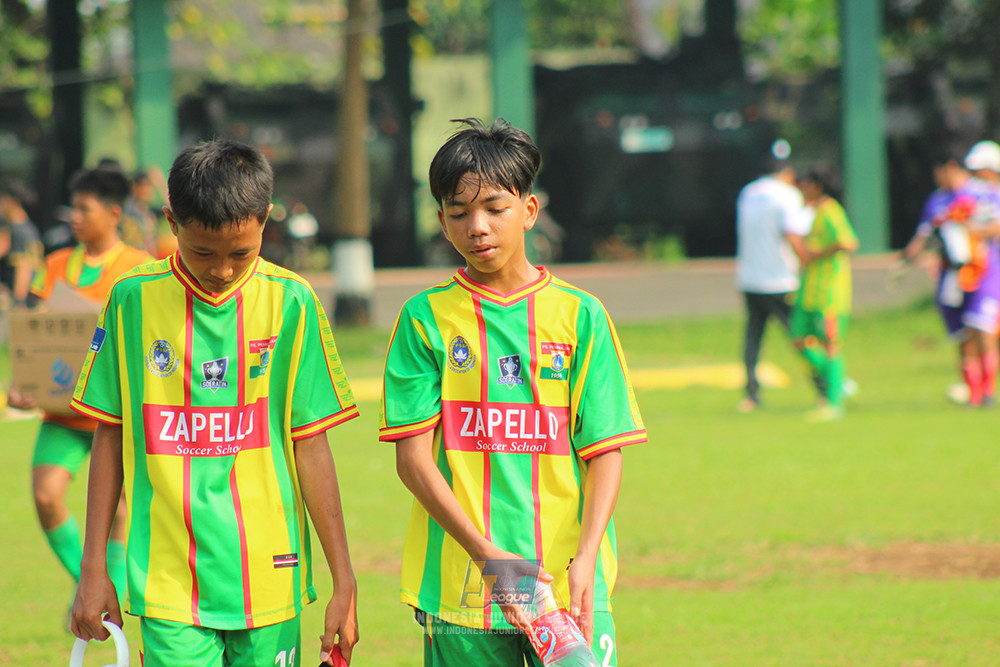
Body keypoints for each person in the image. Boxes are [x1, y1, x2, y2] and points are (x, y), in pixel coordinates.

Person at [68, 140, 360, 666]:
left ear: (265, 221)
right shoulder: (131, 299)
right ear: (170, 220)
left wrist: (344, 581)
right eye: (203, 252)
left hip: (270, 575)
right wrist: (94, 568)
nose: (222, 269)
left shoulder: (292, 302)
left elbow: (311, 445)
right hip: (168, 577)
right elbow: (110, 434)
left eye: (240, 253)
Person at [380, 118, 646, 667]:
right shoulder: (425, 319)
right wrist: (485, 556)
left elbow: (605, 451)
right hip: (463, 585)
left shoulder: (581, 316)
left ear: (528, 210)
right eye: (459, 213)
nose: (477, 227)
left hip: (565, 582)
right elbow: (412, 461)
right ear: (442, 223)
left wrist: (587, 559)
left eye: (494, 209)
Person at [7, 168, 151, 610]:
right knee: (46, 495)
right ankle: (89, 584)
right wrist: (22, 385)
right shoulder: (54, 265)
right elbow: (37, 336)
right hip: (63, 413)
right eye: (73, 208)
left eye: (84, 209)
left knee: (121, 510)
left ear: (112, 213)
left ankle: (118, 594)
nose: (74, 217)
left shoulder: (138, 268)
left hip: (113, 412)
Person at [903, 147, 1000, 407]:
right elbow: (924, 235)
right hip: (951, 276)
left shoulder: (985, 193)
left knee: (983, 327)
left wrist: (971, 229)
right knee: (961, 335)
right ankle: (973, 392)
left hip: (984, 272)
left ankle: (988, 391)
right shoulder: (936, 200)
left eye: (938, 172)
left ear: (950, 168)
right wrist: (906, 259)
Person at [734, 157, 813, 412]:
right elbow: (793, 234)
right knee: (800, 334)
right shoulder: (787, 195)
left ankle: (751, 395)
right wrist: (808, 263)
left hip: (750, 278)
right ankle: (826, 385)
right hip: (780, 279)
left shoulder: (748, 193)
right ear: (788, 173)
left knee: (753, 338)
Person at [789, 166, 859, 421]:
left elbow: (848, 242)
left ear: (817, 186)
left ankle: (833, 403)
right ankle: (837, 382)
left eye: (806, 183)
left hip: (830, 293)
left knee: (830, 344)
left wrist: (819, 254)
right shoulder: (814, 213)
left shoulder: (831, 211)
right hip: (810, 291)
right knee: (798, 338)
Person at [0, 180, 44, 308]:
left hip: (20, 299)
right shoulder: (26, 228)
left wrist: (19, 303)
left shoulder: (19, 232)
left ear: (12, 202)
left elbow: (23, 268)